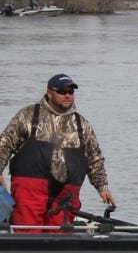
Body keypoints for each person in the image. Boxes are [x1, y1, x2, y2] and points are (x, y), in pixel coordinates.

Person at [0, 74, 116, 230]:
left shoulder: (82, 124)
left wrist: (102, 187)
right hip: (30, 188)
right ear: (49, 93)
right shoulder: (28, 116)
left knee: (60, 237)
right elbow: (5, 144)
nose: (67, 95)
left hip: (66, 193)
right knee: (26, 232)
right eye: (62, 91)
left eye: (70, 91)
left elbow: (94, 158)